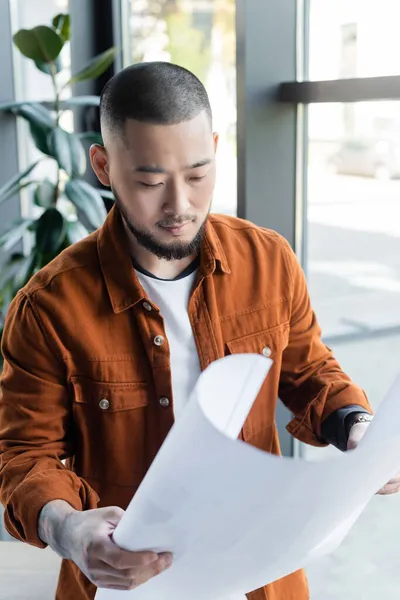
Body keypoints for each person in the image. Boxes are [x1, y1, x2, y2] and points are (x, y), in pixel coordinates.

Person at [0, 62, 399, 600]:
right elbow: (25, 458)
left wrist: (356, 425)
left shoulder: (268, 260)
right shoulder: (49, 308)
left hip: (263, 574)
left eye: (197, 174)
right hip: (123, 583)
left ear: (214, 147)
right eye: (149, 181)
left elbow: (310, 372)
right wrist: (68, 530)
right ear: (102, 165)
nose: (179, 206)